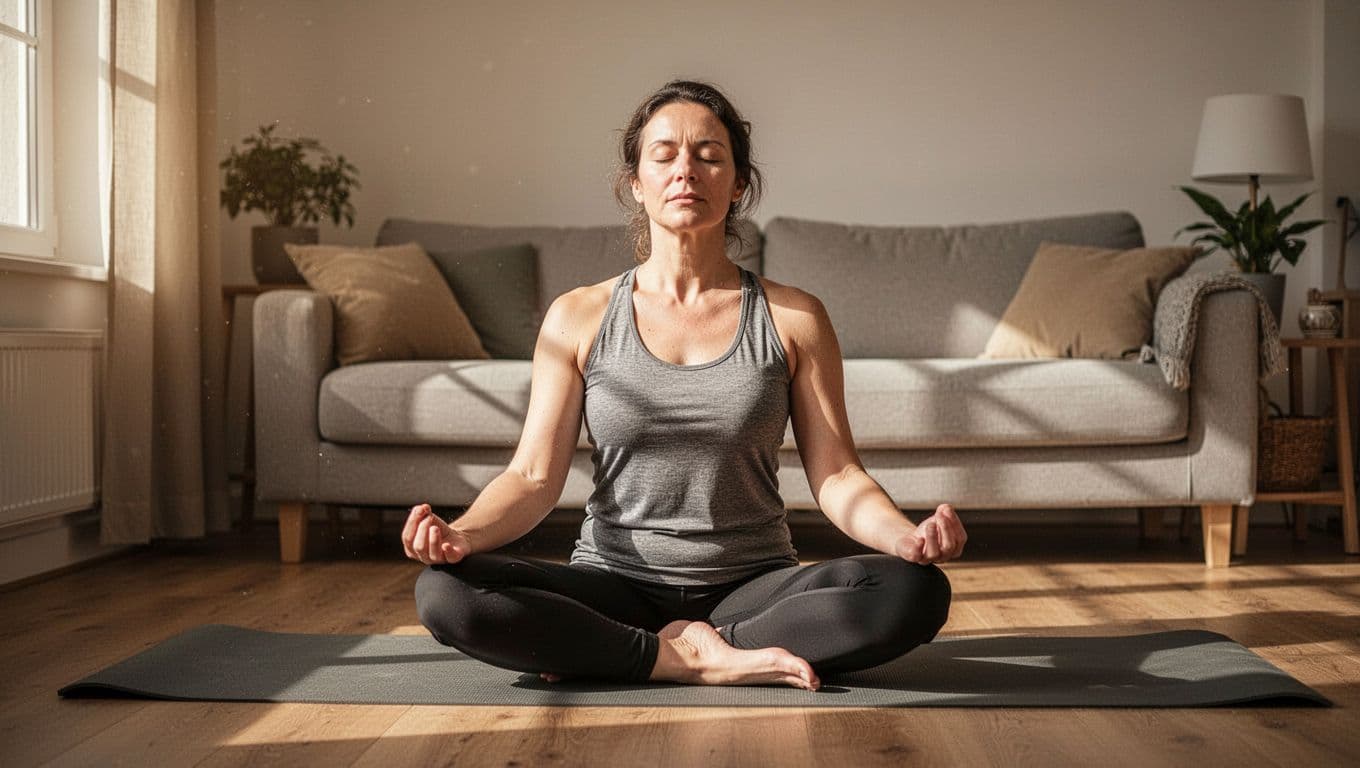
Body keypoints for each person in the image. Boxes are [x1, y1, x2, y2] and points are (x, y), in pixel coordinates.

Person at [406, 79, 966, 692]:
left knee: (913, 591)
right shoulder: (579, 316)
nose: (687, 171)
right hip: (613, 584)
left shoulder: (794, 317)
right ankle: (678, 657)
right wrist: (461, 535)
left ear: (739, 184)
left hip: (751, 589)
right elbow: (533, 478)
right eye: (665, 154)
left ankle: (661, 651)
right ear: (635, 183)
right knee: (444, 593)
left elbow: (837, 476)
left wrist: (905, 536)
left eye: (709, 155)